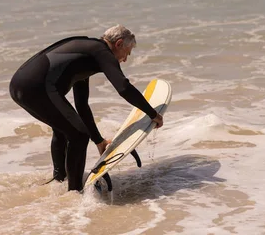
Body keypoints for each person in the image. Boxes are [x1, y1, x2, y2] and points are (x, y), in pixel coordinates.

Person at [9, 25, 163, 192]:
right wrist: (152, 113)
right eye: (127, 52)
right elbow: (123, 88)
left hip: (20, 86)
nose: (125, 59)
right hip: (36, 87)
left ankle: (60, 179)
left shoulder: (86, 54)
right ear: (118, 44)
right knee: (79, 135)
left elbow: (81, 105)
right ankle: (75, 192)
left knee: (65, 128)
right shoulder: (101, 52)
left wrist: (99, 141)